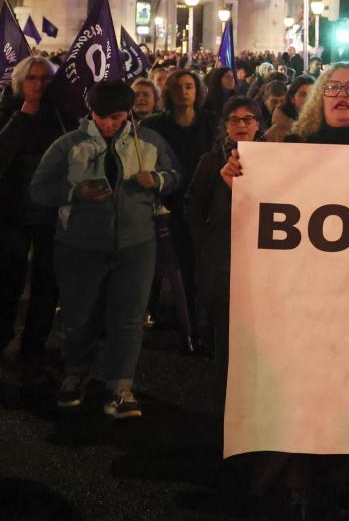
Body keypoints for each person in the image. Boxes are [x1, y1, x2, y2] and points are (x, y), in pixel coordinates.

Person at [221, 63, 349, 517]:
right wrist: (237, 181)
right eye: (333, 89)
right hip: (303, 295)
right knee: (304, 383)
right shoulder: (291, 150)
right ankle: (299, 474)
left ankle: (347, 470)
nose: (342, 96)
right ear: (319, 98)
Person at [29, 79, 180, 418]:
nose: (110, 124)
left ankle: (120, 388)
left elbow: (175, 176)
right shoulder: (68, 144)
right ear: (91, 113)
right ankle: (75, 373)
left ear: (128, 113)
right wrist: (74, 191)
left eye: (117, 116)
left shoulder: (150, 141)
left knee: (128, 318)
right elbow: (39, 189)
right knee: (79, 315)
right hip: (79, 246)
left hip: (136, 244)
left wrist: (156, 181)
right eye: (103, 117)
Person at [0, 55, 75, 382]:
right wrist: (22, 119)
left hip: (51, 213)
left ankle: (32, 351)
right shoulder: (3, 115)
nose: (38, 85)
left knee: (48, 288)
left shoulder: (63, 118)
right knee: (5, 286)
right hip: (11, 210)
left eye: (45, 79)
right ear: (19, 84)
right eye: (32, 78)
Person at [185, 96, 260, 393]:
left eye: (248, 119)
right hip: (223, 257)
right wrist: (204, 243)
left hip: (260, 256)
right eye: (234, 120)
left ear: (258, 124)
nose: (241, 125)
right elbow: (192, 207)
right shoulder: (211, 162)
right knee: (226, 326)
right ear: (225, 126)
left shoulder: (278, 159)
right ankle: (227, 395)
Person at [142, 68, 217, 331]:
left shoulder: (211, 123)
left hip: (200, 202)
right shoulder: (155, 126)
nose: (183, 92)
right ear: (168, 93)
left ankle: (193, 317)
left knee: (193, 261)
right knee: (162, 261)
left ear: (197, 92)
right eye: (177, 87)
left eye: (189, 87)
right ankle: (155, 312)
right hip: (166, 200)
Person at [263, 75, 313, 143]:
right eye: (303, 94)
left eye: (313, 94)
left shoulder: (322, 124)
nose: (309, 98)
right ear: (292, 98)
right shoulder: (277, 132)